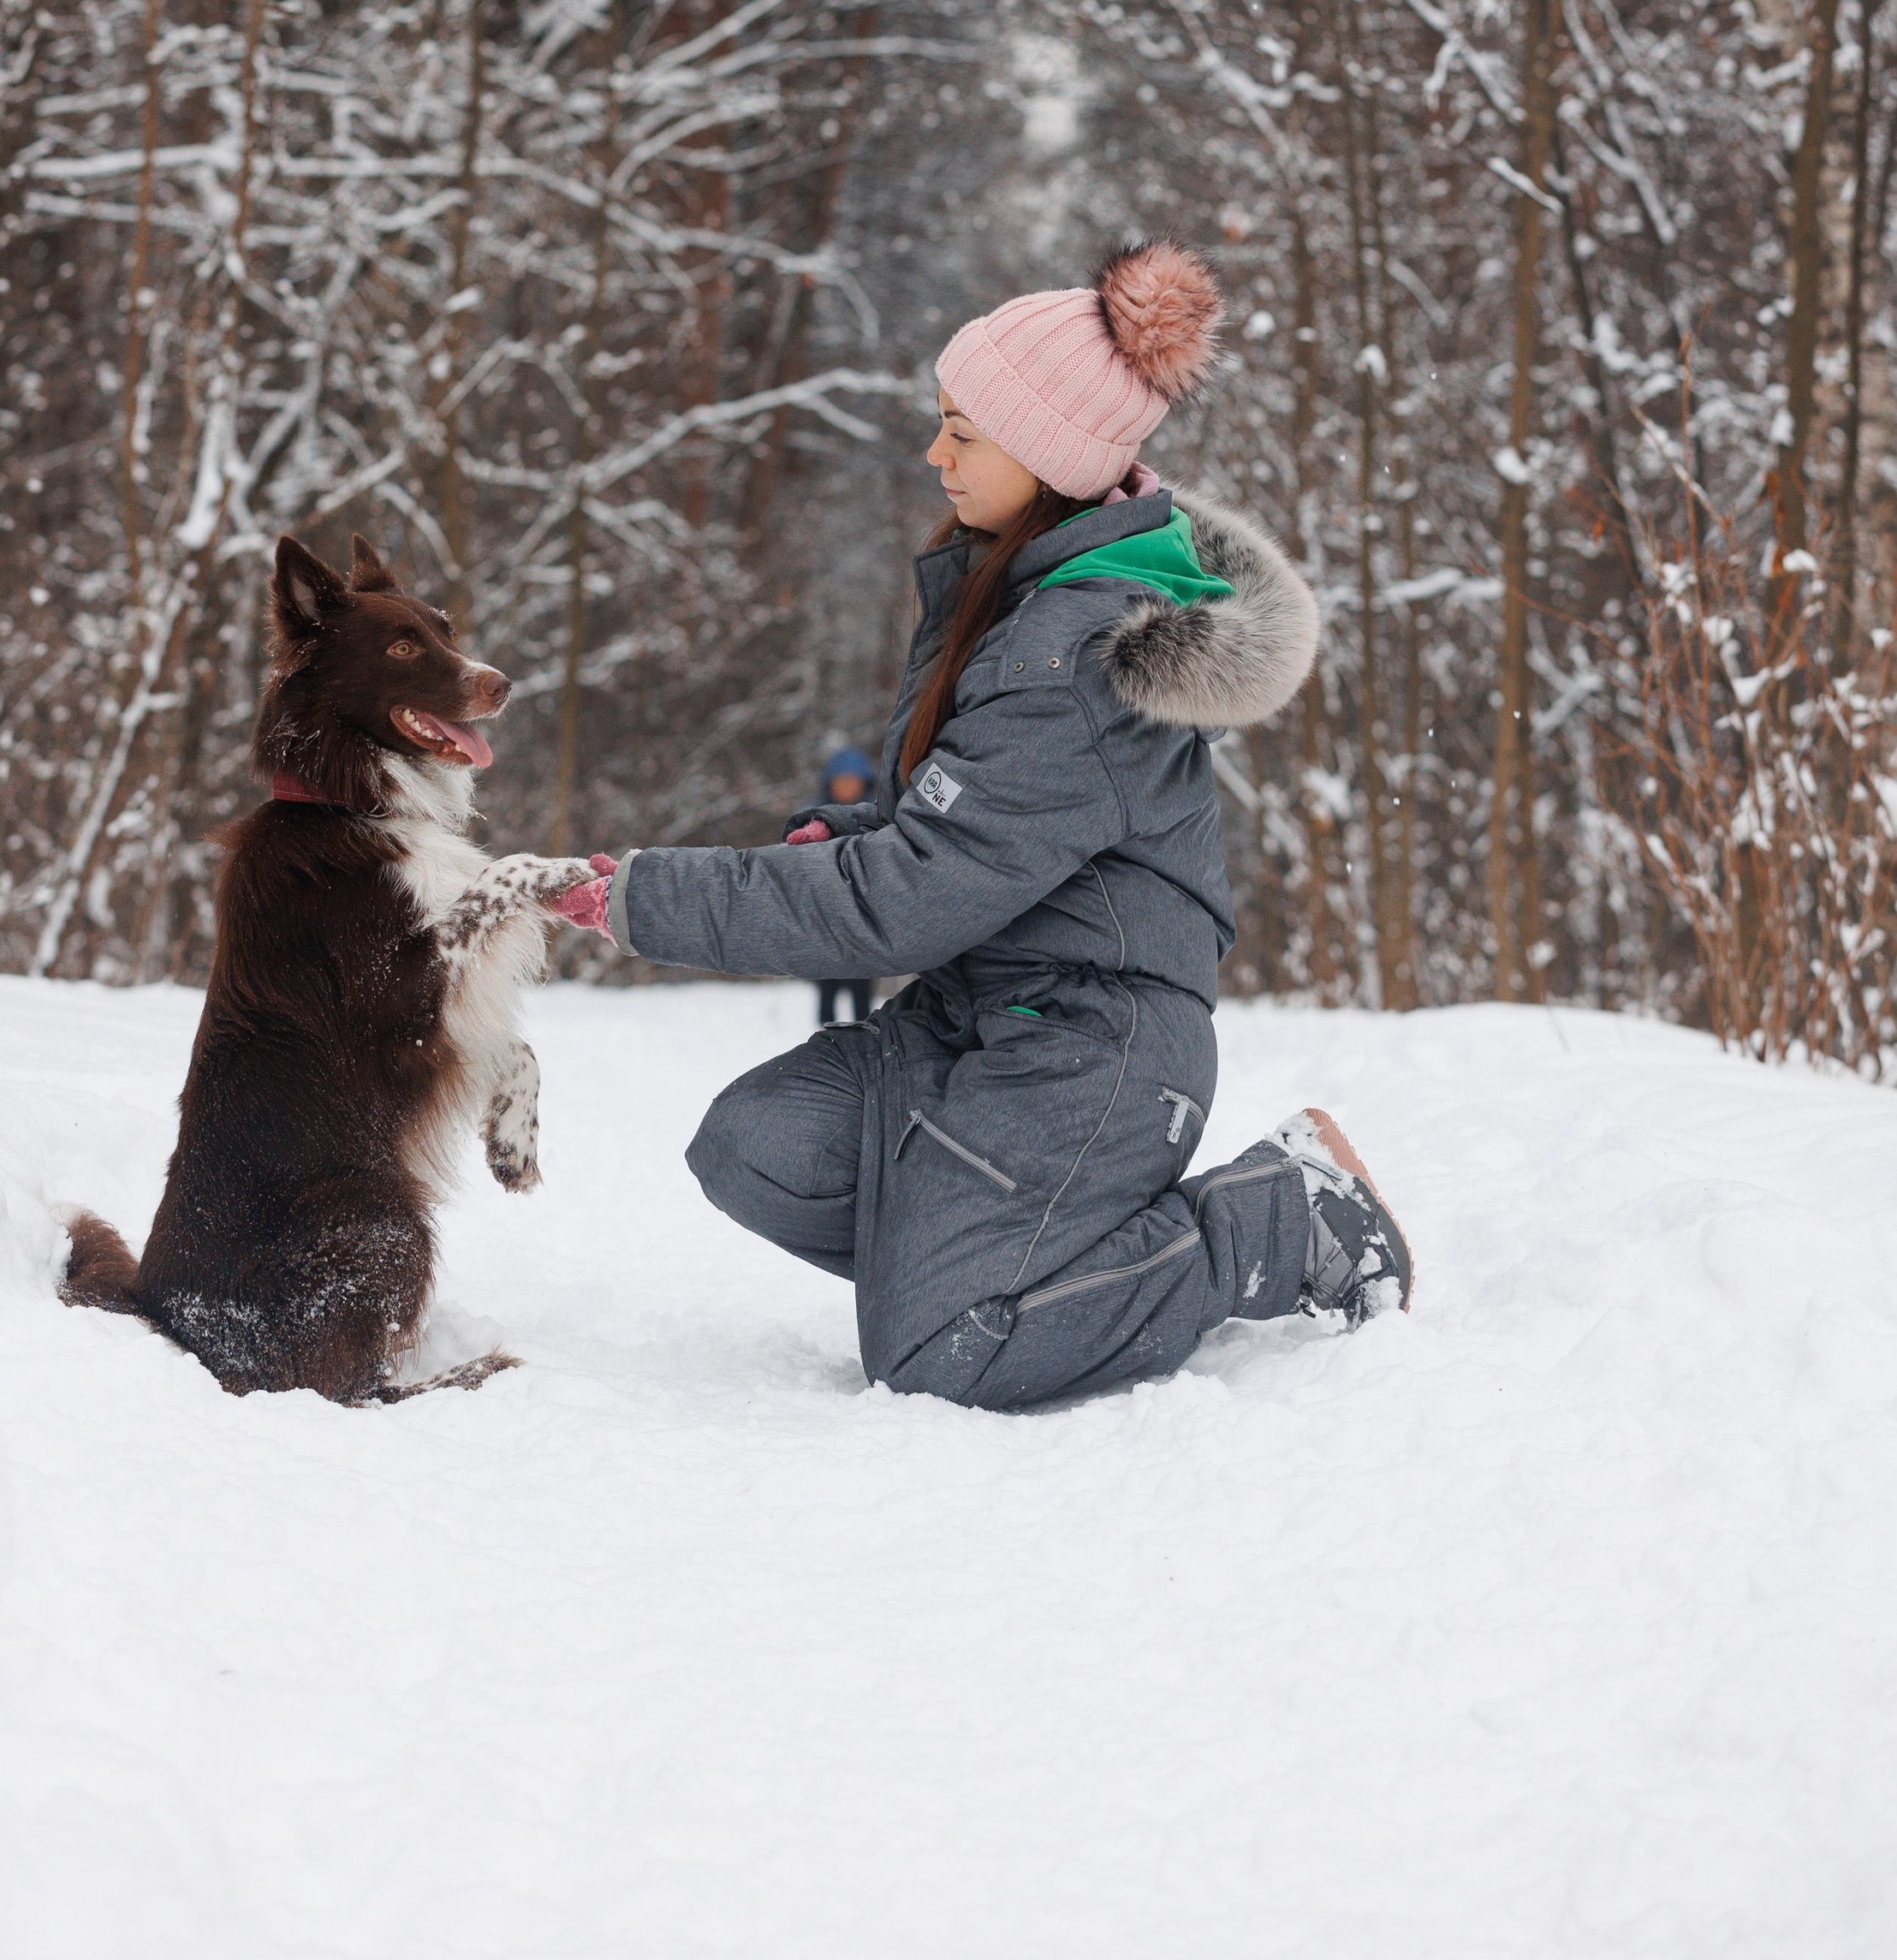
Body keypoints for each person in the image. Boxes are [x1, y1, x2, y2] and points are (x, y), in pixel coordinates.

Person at [554, 239, 1412, 1413]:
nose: (935, 452)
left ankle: (1278, 1222)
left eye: (963, 429)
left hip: (1091, 1044)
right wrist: (829, 838)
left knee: (943, 1352)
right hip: (980, 1013)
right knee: (753, 1146)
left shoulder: (1072, 652)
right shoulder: (1011, 599)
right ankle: (990, 1264)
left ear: (1052, 453)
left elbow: (910, 893)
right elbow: (952, 830)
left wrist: (647, 897)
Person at [799, 745, 878, 1029]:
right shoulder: (812, 818)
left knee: (861, 990)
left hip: (865, 921)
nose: (846, 787)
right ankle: (824, 1038)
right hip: (826, 920)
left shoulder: (879, 816)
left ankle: (863, 1037)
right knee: (828, 984)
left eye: (852, 781)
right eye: (841, 781)